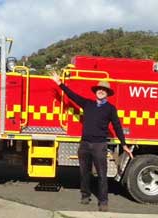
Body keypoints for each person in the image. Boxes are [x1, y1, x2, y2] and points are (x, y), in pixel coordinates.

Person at [51, 72, 133, 212]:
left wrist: (124, 144)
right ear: (96, 92)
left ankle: (103, 201)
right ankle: (85, 195)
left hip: (99, 146)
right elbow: (72, 96)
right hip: (84, 144)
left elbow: (117, 126)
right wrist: (60, 84)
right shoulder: (87, 104)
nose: (101, 91)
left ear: (107, 93)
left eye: (104, 90)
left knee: (102, 174)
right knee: (84, 173)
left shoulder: (110, 109)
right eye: (99, 89)